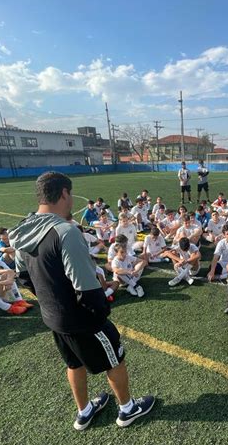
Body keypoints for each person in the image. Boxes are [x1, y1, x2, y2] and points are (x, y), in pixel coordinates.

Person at [9, 171, 155, 430]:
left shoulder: (22, 229)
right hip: (81, 317)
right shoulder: (64, 231)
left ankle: (84, 411)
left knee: (74, 362)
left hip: (53, 317)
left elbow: (23, 277)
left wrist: (51, 298)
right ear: (65, 193)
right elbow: (86, 289)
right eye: (71, 195)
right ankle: (127, 409)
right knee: (115, 359)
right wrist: (101, 311)